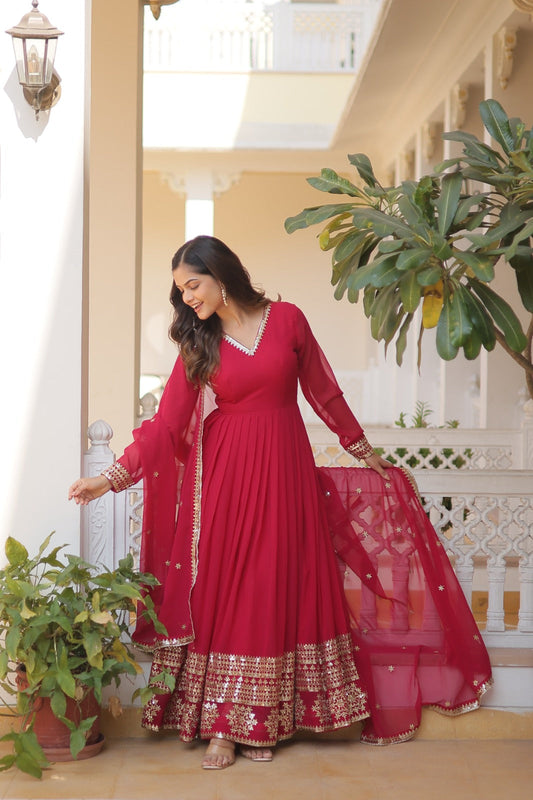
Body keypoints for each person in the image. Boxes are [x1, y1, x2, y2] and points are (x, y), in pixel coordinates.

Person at [69, 235, 492, 768]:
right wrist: (108, 479)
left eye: (193, 285)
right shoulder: (201, 342)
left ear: (221, 275)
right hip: (226, 478)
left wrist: (363, 450)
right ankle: (225, 727)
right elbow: (167, 425)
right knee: (231, 586)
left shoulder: (287, 320)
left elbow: (323, 390)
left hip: (286, 471)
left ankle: (265, 719)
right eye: (181, 291)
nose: (187, 298)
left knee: (275, 584)